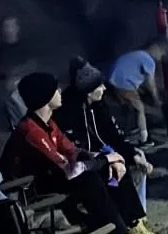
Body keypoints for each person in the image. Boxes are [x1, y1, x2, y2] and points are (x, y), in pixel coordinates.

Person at [2, 72, 160, 234]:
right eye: (55, 89)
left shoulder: (47, 122)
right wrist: (103, 160)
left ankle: (134, 226)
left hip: (54, 174)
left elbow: (73, 150)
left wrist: (109, 159)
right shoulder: (31, 131)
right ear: (45, 97)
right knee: (89, 179)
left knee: (114, 167)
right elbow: (66, 168)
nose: (60, 91)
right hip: (32, 188)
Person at [57, 58, 156, 209]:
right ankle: (127, 215)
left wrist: (132, 155)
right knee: (115, 173)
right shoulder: (67, 112)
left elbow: (113, 134)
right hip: (82, 165)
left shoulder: (97, 105)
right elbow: (78, 150)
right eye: (99, 85)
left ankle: (138, 214)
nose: (104, 88)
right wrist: (109, 159)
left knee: (137, 159)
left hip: (101, 157)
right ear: (88, 91)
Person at [108, 40, 167, 146]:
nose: (160, 58)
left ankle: (127, 131)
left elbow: (130, 72)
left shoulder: (138, 54)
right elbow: (151, 84)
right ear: (155, 48)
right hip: (123, 83)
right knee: (140, 108)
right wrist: (156, 99)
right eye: (161, 53)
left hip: (113, 80)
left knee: (129, 106)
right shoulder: (148, 60)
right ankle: (145, 140)